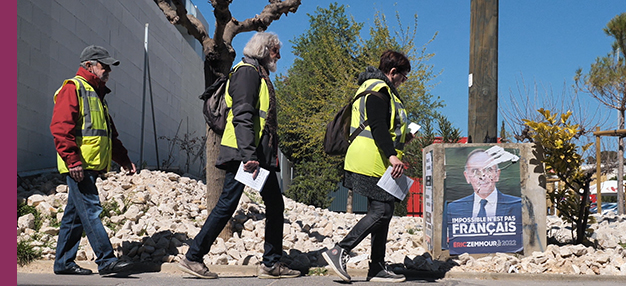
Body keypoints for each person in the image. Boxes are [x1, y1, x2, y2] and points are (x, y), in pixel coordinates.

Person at [177, 32, 300, 279]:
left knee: (270, 204)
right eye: (276, 51)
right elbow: (243, 115)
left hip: (253, 153)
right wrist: (249, 155)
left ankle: (270, 263)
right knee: (229, 204)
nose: (279, 56)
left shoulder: (257, 74)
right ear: (265, 51)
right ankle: (193, 257)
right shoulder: (247, 73)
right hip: (246, 154)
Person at [322, 50, 413, 283]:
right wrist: (392, 156)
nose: (404, 81)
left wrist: (403, 138)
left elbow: (386, 128)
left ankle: (377, 267)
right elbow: (377, 127)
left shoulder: (377, 89)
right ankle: (340, 250)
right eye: (404, 76)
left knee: (385, 210)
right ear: (392, 72)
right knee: (381, 211)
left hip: (378, 160)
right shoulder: (378, 90)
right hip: (371, 160)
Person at [51, 45, 136, 275]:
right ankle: (106, 260)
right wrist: (72, 160)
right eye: (104, 65)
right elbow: (60, 128)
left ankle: (63, 262)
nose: (108, 70)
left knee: (75, 214)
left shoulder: (96, 94)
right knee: (90, 209)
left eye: (109, 66)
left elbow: (109, 133)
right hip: (79, 165)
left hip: (88, 165)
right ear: (89, 65)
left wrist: (124, 160)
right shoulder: (74, 88)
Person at [446, 149, 522, 219]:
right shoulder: (453, 209)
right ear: (467, 177)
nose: (482, 177)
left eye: (488, 170)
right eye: (475, 171)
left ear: (497, 174)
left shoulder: (518, 206)